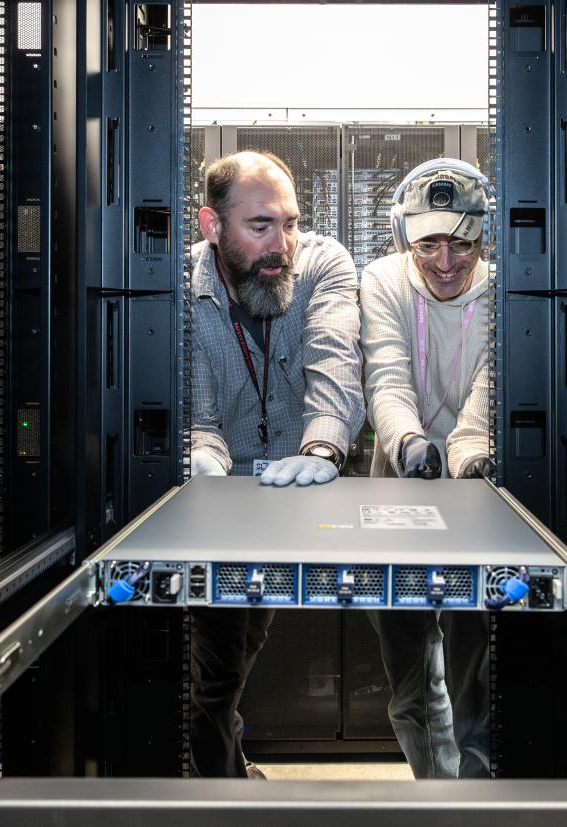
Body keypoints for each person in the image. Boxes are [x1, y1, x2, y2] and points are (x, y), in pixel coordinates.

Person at [188, 150, 364, 778]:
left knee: (242, 646)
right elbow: (199, 412)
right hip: (215, 510)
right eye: (260, 226)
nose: (281, 243)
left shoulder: (324, 265)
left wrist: (322, 446)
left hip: (295, 497)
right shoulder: (184, 285)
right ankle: (222, 790)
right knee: (214, 663)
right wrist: (203, 460)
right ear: (212, 226)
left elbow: (336, 360)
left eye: (289, 222)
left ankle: (226, 762)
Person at [360, 159, 495, 779]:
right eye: (429, 244)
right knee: (408, 670)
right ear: (402, 236)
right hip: (399, 487)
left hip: (479, 493)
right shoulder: (383, 280)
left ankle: (472, 789)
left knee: (474, 668)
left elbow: (489, 393)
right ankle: (429, 787)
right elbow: (386, 375)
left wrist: (465, 456)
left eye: (461, 243)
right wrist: (409, 441)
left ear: (483, 239)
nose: (445, 262)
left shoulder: (501, 288)